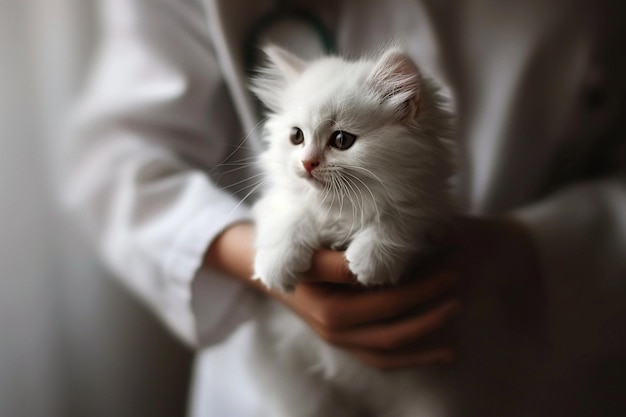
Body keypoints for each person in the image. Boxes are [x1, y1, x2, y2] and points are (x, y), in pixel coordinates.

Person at [64, 0, 626, 415]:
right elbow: (114, 158)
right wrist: (245, 255)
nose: (308, 162)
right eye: (296, 141)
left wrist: (529, 249)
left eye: (337, 143)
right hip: (278, 385)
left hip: (524, 349)